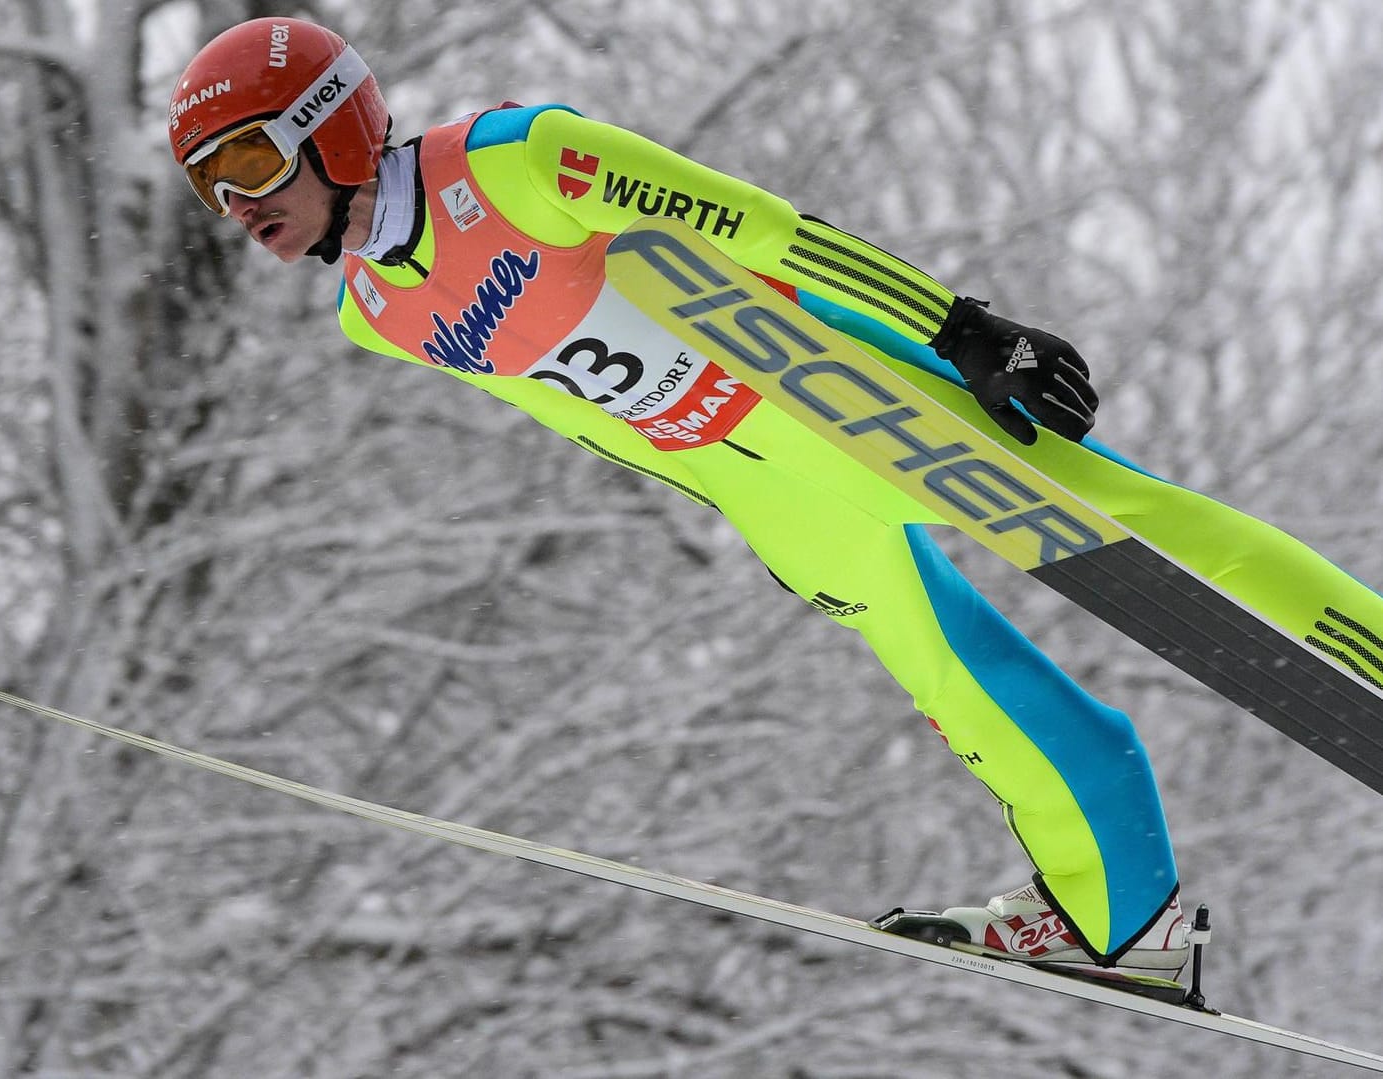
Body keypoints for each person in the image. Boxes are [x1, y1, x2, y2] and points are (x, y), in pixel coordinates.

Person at [166, 17, 1383, 974]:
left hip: (831, 381)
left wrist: (961, 326)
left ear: (334, 128)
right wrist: (734, 501)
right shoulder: (374, 313)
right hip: (757, 480)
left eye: (252, 160)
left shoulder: (516, 158)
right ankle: (1121, 916)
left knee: (1144, 531)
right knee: (952, 678)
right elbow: (576, 399)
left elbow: (766, 228)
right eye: (209, 187)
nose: (238, 206)